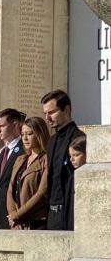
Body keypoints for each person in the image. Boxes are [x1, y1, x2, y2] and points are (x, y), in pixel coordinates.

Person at [41, 89, 85, 230]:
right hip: (51, 214)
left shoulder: (78, 138)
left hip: (70, 212)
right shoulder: (52, 141)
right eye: (45, 113)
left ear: (66, 110)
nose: (47, 118)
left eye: (52, 112)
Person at [6, 116, 50, 230]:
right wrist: (12, 215)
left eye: (29, 134)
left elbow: (42, 193)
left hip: (36, 222)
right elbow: (11, 188)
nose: (25, 138)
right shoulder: (21, 159)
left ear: (39, 134)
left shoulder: (46, 159)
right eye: (22, 134)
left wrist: (18, 214)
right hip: (17, 224)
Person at [0, 108, 26, 229]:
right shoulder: (3, 152)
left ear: (15, 125)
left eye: (2, 126)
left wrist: (17, 215)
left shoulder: (23, 150)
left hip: (15, 216)